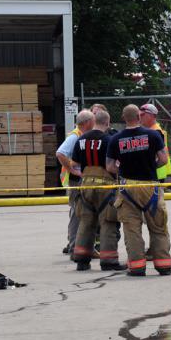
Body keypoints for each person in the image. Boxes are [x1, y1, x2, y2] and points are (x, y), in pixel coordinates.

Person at [106, 104, 171, 276]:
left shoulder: (116, 140)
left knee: (132, 229)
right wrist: (151, 166)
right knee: (158, 226)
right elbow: (164, 159)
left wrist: (123, 170)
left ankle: (137, 267)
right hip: (151, 187)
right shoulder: (153, 135)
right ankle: (163, 265)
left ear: (123, 117)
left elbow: (110, 167)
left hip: (128, 188)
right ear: (139, 116)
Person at [69, 109, 125, 271]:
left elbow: (73, 164)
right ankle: (109, 261)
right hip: (105, 187)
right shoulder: (110, 140)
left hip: (85, 186)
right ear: (107, 123)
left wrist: (85, 174)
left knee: (86, 221)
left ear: (93, 122)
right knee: (108, 222)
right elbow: (115, 165)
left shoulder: (81, 139)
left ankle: (81, 259)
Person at [56, 109, 94, 255]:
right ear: (87, 123)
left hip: (80, 179)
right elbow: (60, 153)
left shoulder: (82, 135)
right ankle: (73, 245)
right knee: (76, 214)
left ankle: (76, 244)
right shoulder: (75, 136)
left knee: (79, 213)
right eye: (93, 121)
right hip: (75, 180)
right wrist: (72, 170)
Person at [139, 103, 171, 183]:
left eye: (143, 115)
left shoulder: (155, 132)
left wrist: (150, 167)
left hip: (156, 173)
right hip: (156, 172)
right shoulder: (153, 130)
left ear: (153, 116)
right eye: (139, 115)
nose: (140, 117)